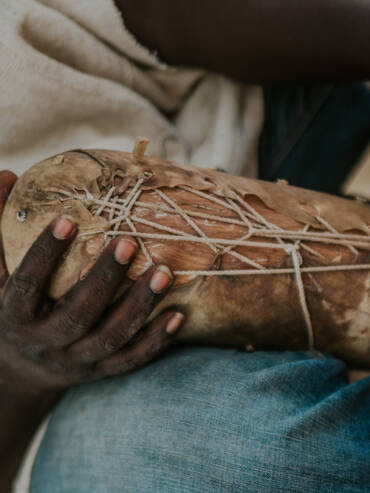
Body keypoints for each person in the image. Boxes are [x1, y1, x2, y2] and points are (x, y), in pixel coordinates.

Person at [0, 1, 369, 492]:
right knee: (252, 455)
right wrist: (18, 371)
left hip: (256, 146)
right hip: (81, 401)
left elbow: (144, 16)